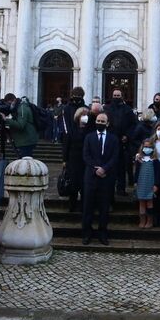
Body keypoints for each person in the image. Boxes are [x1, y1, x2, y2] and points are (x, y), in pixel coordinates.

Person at [81, 112, 118, 245]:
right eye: (98, 121)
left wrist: (104, 169)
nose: (100, 123)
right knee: (88, 207)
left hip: (106, 177)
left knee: (104, 207)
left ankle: (103, 233)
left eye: (103, 121)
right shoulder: (89, 137)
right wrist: (96, 169)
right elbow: (86, 155)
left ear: (107, 123)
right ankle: (87, 233)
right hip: (91, 176)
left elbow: (114, 157)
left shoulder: (113, 139)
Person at [105, 89, 137, 195]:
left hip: (123, 143)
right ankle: (109, 189)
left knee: (122, 168)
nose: (116, 97)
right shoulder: (107, 109)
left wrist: (127, 135)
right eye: (114, 95)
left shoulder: (127, 109)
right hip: (109, 142)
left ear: (121, 96)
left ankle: (121, 188)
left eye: (118, 95)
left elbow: (133, 125)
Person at [63, 106, 91, 214]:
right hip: (73, 160)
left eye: (86, 115)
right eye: (83, 115)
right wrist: (64, 160)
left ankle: (84, 206)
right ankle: (72, 205)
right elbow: (66, 145)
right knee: (73, 184)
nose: (85, 117)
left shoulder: (90, 129)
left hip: (85, 161)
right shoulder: (71, 129)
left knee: (85, 185)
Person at [134, 138, 160, 229]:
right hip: (141, 182)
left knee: (150, 202)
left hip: (151, 183)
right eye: (145, 147)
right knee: (141, 202)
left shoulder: (155, 160)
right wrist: (135, 182)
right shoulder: (139, 159)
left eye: (150, 147)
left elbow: (158, 173)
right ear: (142, 147)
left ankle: (150, 221)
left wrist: (156, 184)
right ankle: (142, 220)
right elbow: (136, 171)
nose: (147, 148)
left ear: (153, 148)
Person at [2, 93, 38, 158]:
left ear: (14, 100)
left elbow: (20, 125)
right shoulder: (17, 108)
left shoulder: (22, 108)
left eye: (10, 103)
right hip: (23, 140)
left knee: (26, 162)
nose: (9, 105)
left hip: (26, 141)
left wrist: (6, 120)